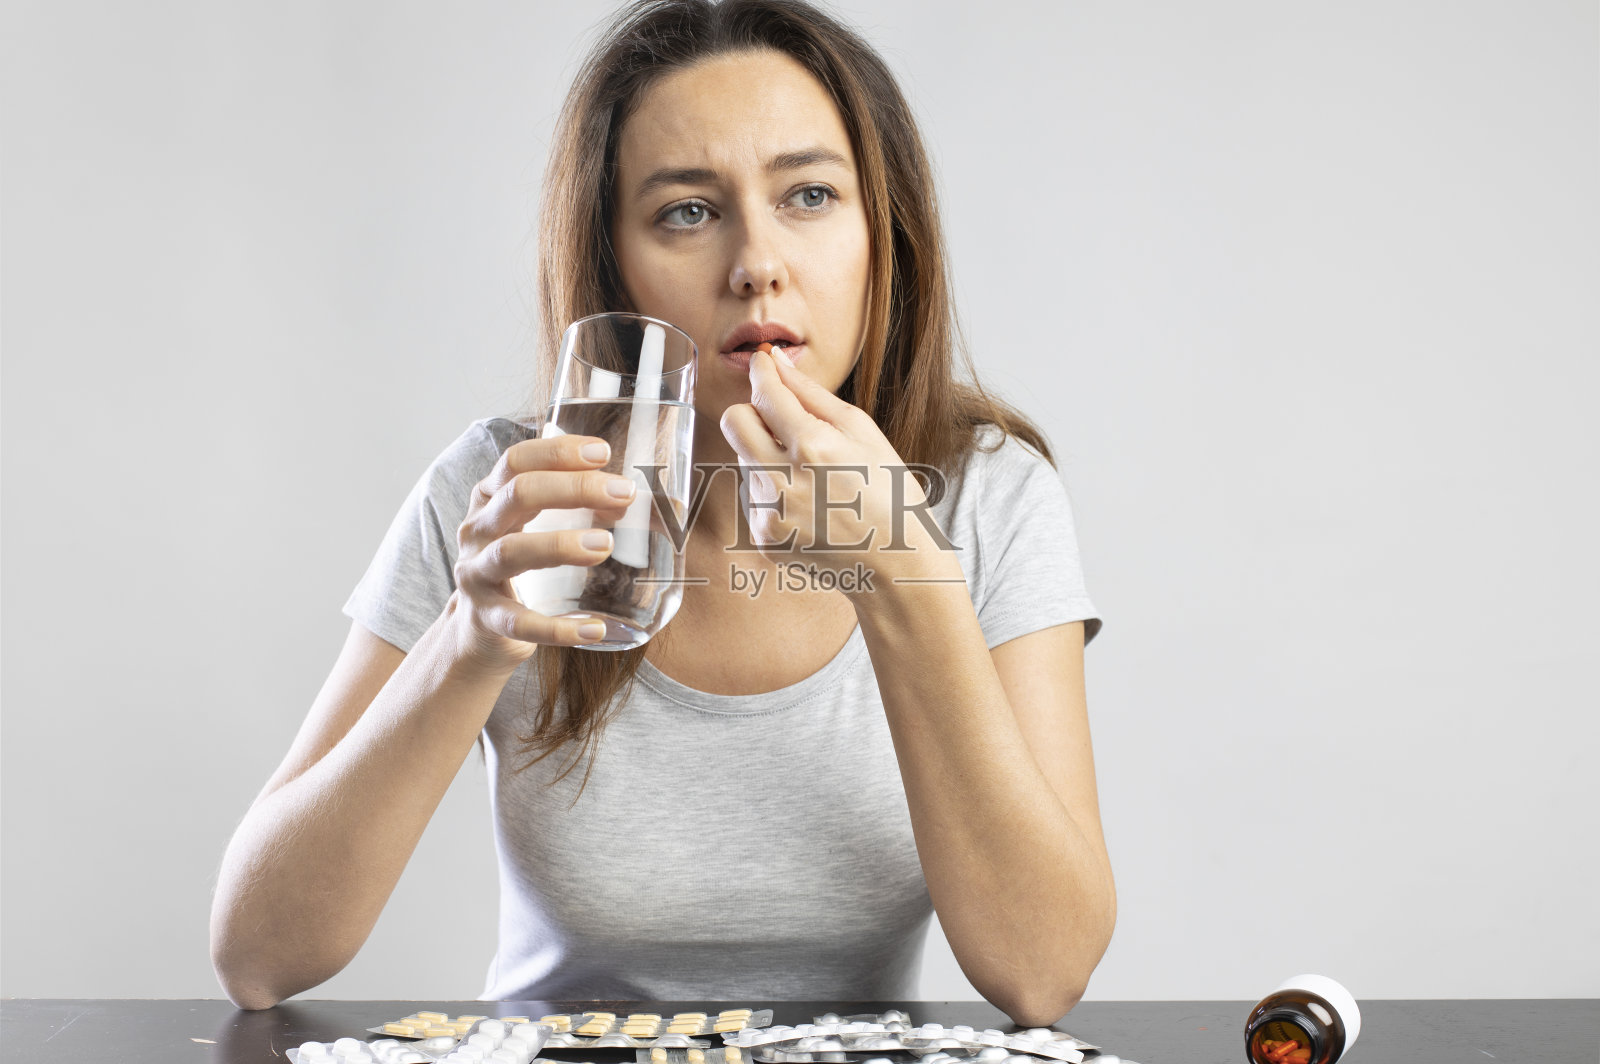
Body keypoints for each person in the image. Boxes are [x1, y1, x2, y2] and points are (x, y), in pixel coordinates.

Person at [210, 0, 1115, 1024]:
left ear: (883, 236)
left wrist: (899, 566)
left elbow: (1041, 971)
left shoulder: (989, 497)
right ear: (615, 264)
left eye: (809, 194)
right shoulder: (509, 494)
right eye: (687, 210)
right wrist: (470, 636)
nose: (756, 262)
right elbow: (257, 955)